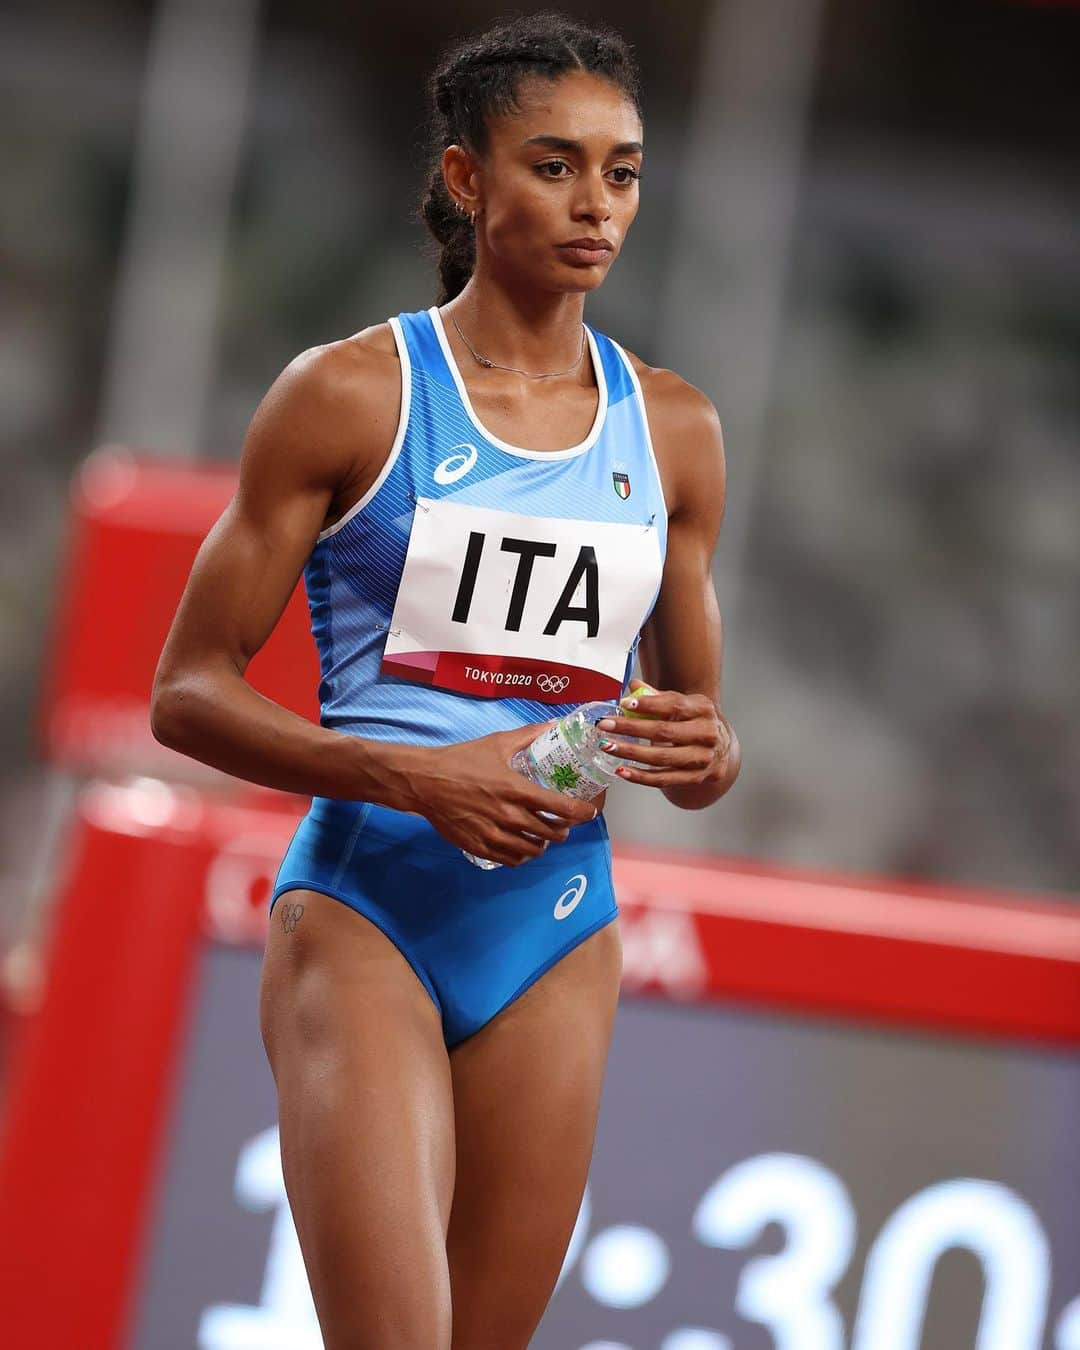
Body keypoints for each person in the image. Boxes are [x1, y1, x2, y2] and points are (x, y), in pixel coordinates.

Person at [151, 11, 739, 1348]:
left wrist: (712, 755)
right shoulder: (350, 396)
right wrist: (415, 773)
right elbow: (185, 688)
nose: (598, 202)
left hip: (557, 925)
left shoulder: (680, 432)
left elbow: (694, 733)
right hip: (368, 908)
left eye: (625, 170)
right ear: (468, 180)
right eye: (555, 164)